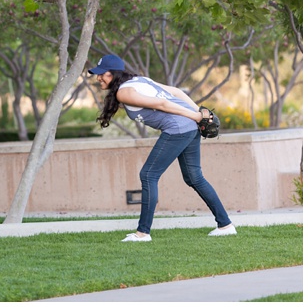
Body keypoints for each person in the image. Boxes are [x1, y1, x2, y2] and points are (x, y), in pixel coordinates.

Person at [88, 54, 236, 242]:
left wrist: (198, 116)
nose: (98, 77)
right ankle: (225, 225)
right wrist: (197, 114)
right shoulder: (140, 80)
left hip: (179, 128)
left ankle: (142, 233)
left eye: (103, 74)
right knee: (194, 177)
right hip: (189, 127)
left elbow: (163, 103)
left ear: (114, 74)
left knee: (149, 175)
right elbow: (176, 92)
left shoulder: (124, 92)